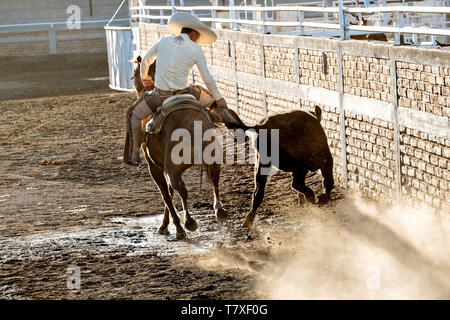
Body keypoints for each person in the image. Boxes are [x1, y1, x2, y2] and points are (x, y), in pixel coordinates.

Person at [123, 12, 229, 166]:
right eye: (198, 37)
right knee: (214, 104)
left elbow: (146, 60)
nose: (198, 40)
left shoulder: (164, 41)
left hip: (160, 96)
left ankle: (133, 155)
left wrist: (145, 77)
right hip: (186, 93)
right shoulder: (196, 50)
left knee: (133, 115)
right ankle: (229, 136)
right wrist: (219, 99)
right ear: (193, 34)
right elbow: (207, 78)